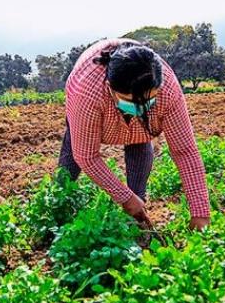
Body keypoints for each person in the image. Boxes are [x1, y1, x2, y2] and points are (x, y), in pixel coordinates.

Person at [59, 38, 211, 230]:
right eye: (129, 101)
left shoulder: (167, 89)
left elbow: (185, 151)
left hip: (138, 98)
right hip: (88, 96)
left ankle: (137, 210)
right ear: (110, 89)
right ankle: (59, 205)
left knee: (140, 138)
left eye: (148, 100)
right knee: (71, 157)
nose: (138, 109)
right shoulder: (87, 93)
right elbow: (87, 156)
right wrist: (125, 198)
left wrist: (200, 214)